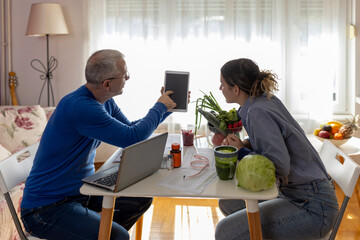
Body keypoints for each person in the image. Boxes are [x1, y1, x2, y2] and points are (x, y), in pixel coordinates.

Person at [21, 49, 182, 240]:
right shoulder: (81, 107)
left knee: (140, 198)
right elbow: (132, 138)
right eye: (125, 75)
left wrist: (166, 109)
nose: (127, 79)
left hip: (81, 193)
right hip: (46, 209)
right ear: (107, 83)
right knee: (117, 236)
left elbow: (130, 128)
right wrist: (159, 106)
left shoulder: (104, 100)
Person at [214, 58, 339, 240]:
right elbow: (275, 140)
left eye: (222, 84)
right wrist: (247, 144)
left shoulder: (257, 111)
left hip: (312, 207)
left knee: (225, 231)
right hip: (302, 193)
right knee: (229, 202)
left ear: (236, 89)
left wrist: (241, 150)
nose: (220, 88)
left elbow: (280, 167)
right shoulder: (263, 101)